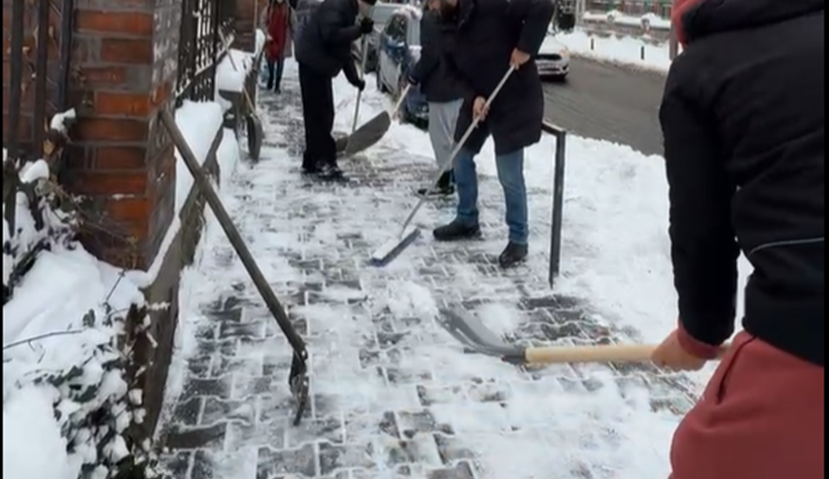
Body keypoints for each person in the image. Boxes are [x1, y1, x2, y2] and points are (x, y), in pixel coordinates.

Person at [650, 0, 825, 478]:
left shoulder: (700, 72)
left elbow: (701, 231)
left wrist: (697, 338)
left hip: (806, 334)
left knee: (700, 460)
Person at [431, 0, 554, 268]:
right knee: (460, 156)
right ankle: (467, 218)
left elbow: (543, 7)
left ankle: (518, 239)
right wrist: (472, 97)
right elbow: (449, 72)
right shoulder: (444, 26)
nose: (431, 6)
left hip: (513, 97)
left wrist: (525, 48)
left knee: (508, 173)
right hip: (479, 100)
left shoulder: (491, 4)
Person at [295, 0, 376, 181]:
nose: (367, 8)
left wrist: (355, 80)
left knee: (320, 113)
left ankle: (313, 159)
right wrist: (358, 31)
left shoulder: (346, 10)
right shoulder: (338, 6)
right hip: (312, 61)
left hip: (317, 63)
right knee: (320, 114)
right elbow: (330, 35)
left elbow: (343, 50)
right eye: (367, 3)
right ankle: (323, 161)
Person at [406, 0, 462, 197]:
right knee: (454, 136)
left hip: (441, 87)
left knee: (439, 136)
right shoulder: (458, 15)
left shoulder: (430, 19)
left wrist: (414, 74)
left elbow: (430, 55)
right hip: (459, 85)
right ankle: (456, 177)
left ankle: (445, 181)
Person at [262, 0, 295, 93]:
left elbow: (294, 25)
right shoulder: (269, 9)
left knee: (280, 63)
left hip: (283, 40)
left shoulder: (288, 10)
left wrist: (295, 37)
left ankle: (277, 84)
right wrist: (266, 33)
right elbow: (263, 21)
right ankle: (271, 77)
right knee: (270, 61)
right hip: (271, 39)